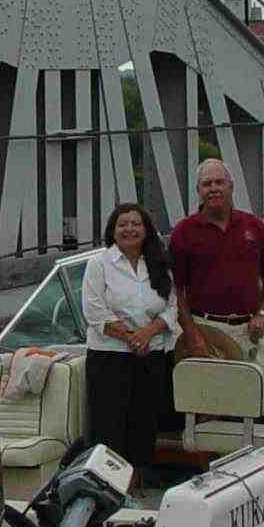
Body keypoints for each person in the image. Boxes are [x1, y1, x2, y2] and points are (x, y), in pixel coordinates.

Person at [81, 201, 178, 470]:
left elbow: (172, 308)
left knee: (144, 424)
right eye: (122, 224)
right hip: (109, 358)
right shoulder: (98, 264)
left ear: (146, 230)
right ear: (112, 231)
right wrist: (133, 339)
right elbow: (95, 312)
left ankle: (137, 483)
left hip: (152, 356)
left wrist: (147, 334)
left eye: (136, 224)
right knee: (109, 427)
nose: (129, 229)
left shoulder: (159, 263)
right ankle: (107, 487)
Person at [168, 159, 264, 370]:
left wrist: (263, 314)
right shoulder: (183, 232)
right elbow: (176, 291)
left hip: (252, 329)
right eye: (207, 184)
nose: (214, 189)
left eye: (219, 182)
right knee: (212, 401)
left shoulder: (254, 226)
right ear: (198, 190)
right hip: (207, 330)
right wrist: (192, 335)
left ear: (231, 186)